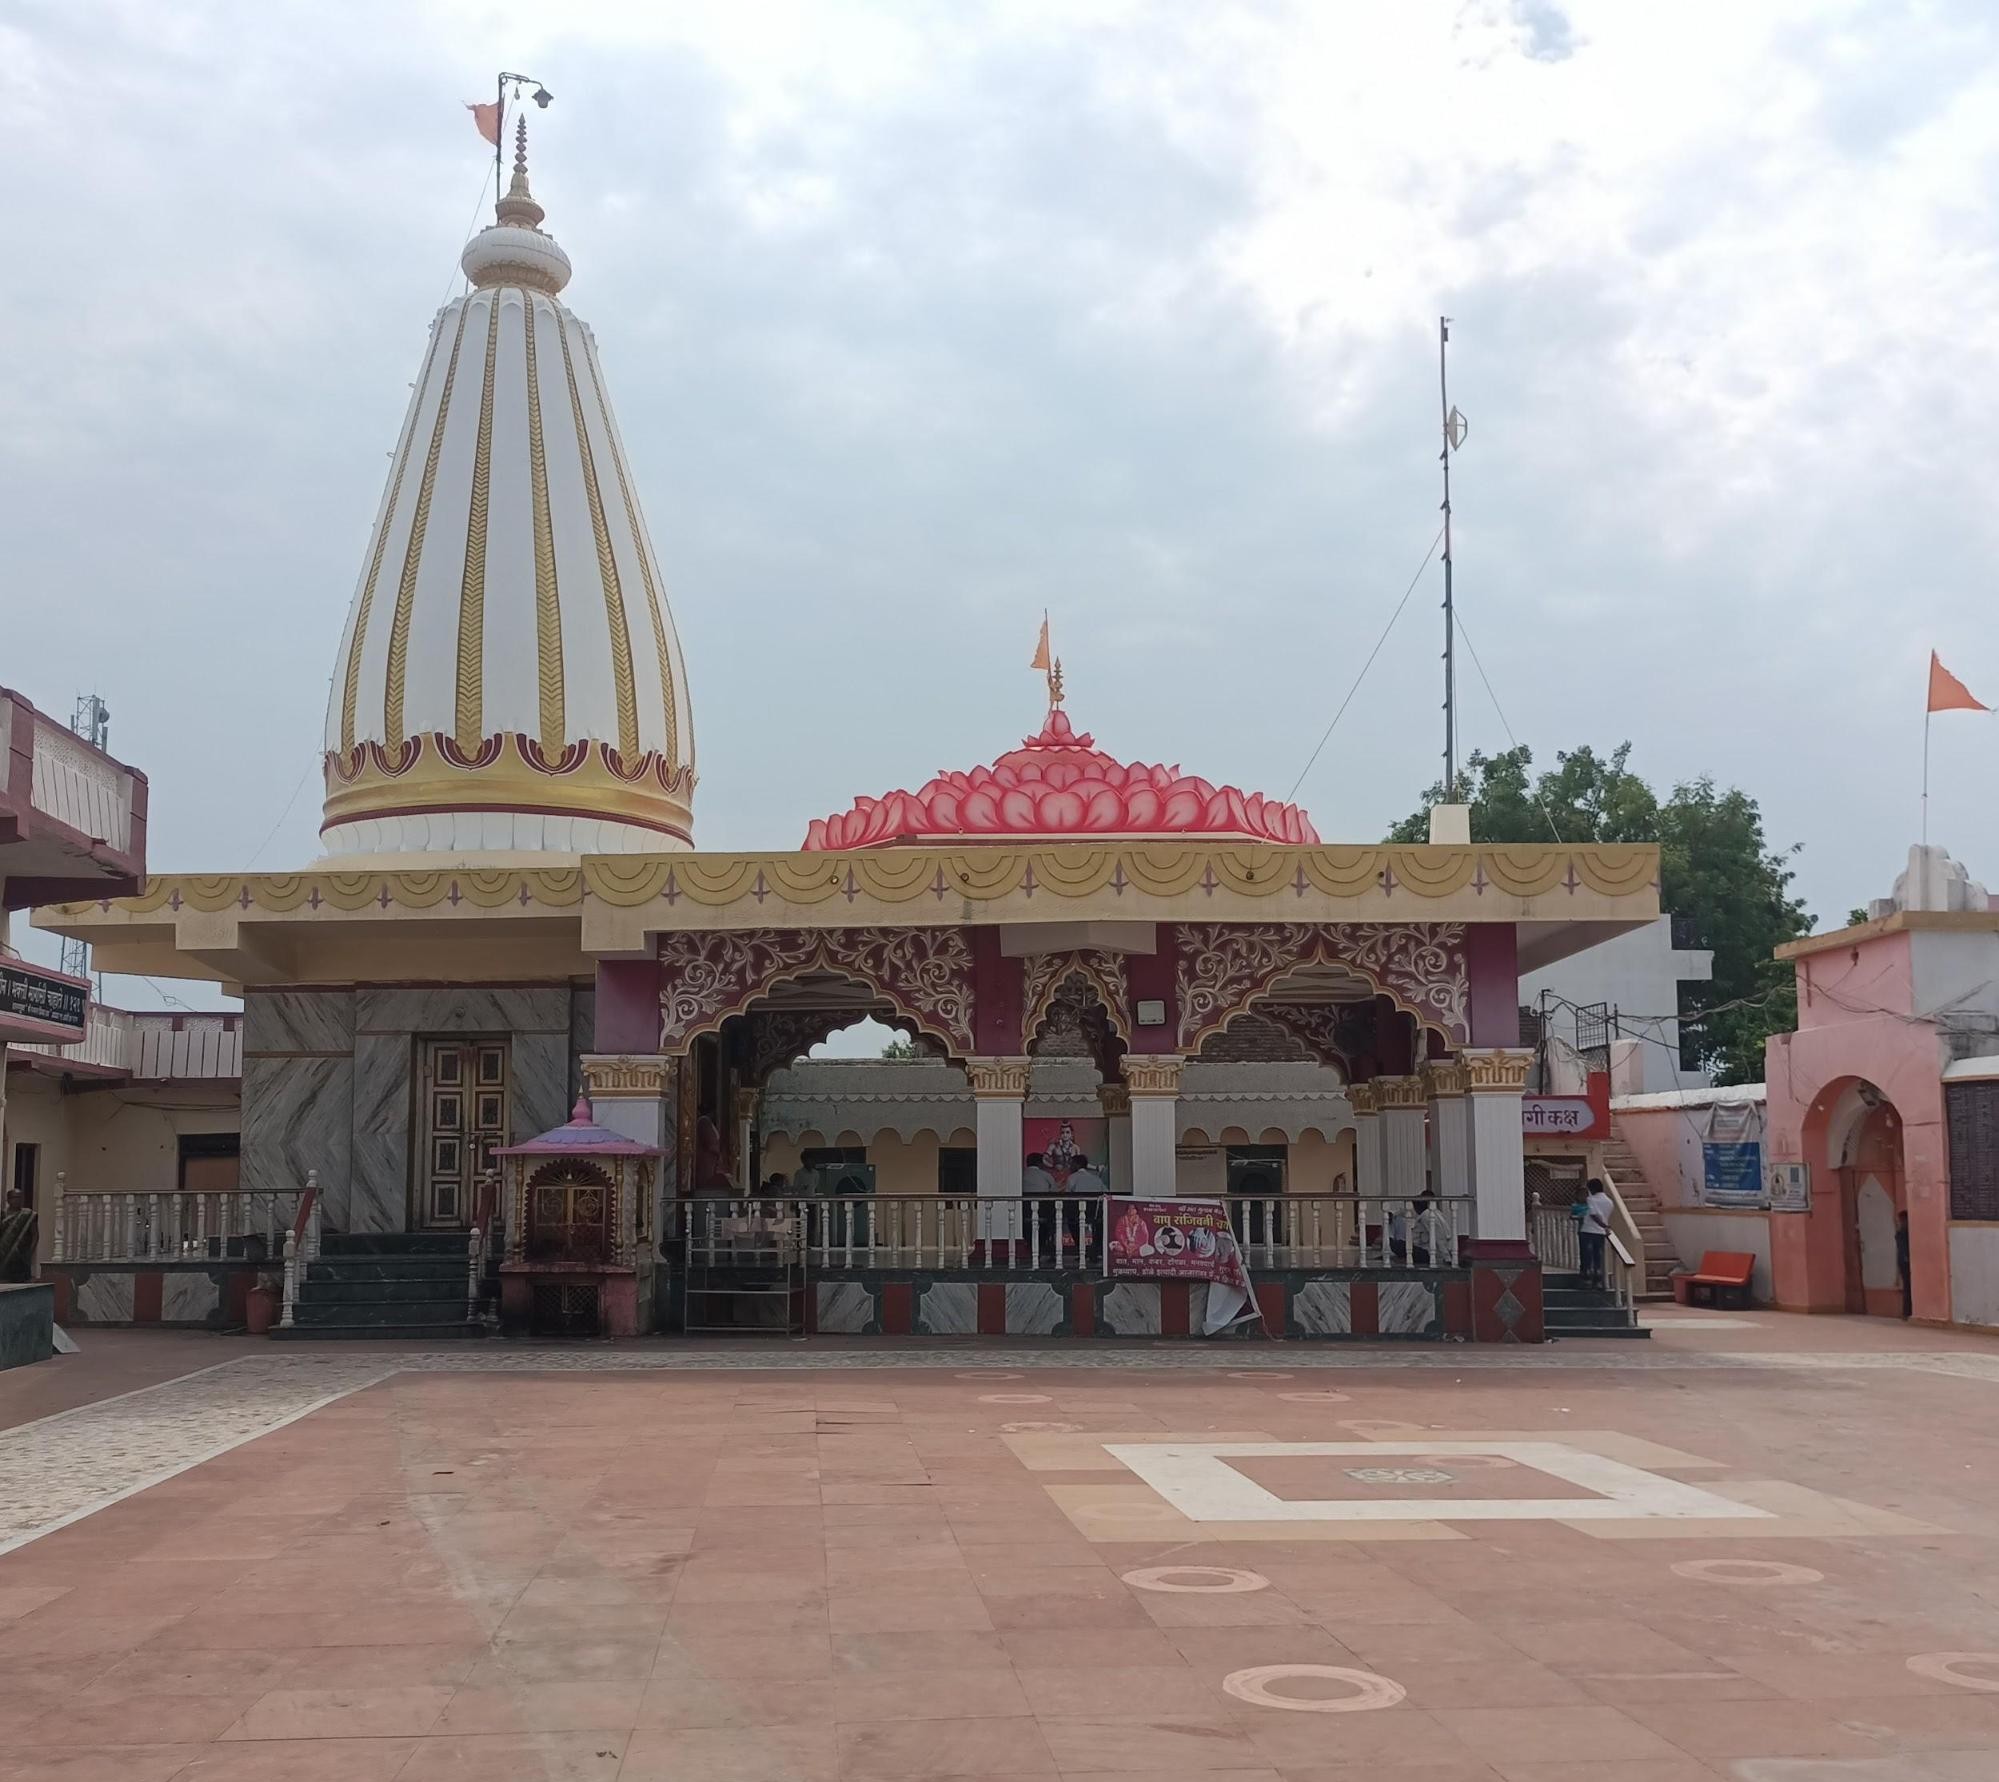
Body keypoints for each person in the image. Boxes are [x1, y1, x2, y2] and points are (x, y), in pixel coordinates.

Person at [1579, 1177, 1614, 1290]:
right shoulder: (1609, 1201)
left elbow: (1593, 1214)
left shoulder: (1591, 1200)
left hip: (1588, 1230)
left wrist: (1603, 1225)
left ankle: (1587, 1278)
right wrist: (1604, 1227)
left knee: (1587, 1255)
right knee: (1597, 1256)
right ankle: (1598, 1279)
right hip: (1600, 1233)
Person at [0, 1190, 35, 1284]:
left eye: (20, 1198)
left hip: (22, 1257)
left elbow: (35, 1235)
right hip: (4, 1256)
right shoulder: (2, 1215)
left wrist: (29, 1252)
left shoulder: (28, 1214)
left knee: (22, 1285)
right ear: (8, 1200)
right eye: (15, 1198)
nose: (17, 1200)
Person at [1896, 1211, 1912, 1320]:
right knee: (1908, 1287)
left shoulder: (1902, 1232)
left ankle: (1907, 1312)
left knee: (1908, 1287)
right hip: (1905, 1263)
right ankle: (1906, 1312)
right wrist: (1906, 1258)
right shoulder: (1902, 1233)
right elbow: (1903, 1250)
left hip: (1904, 1262)